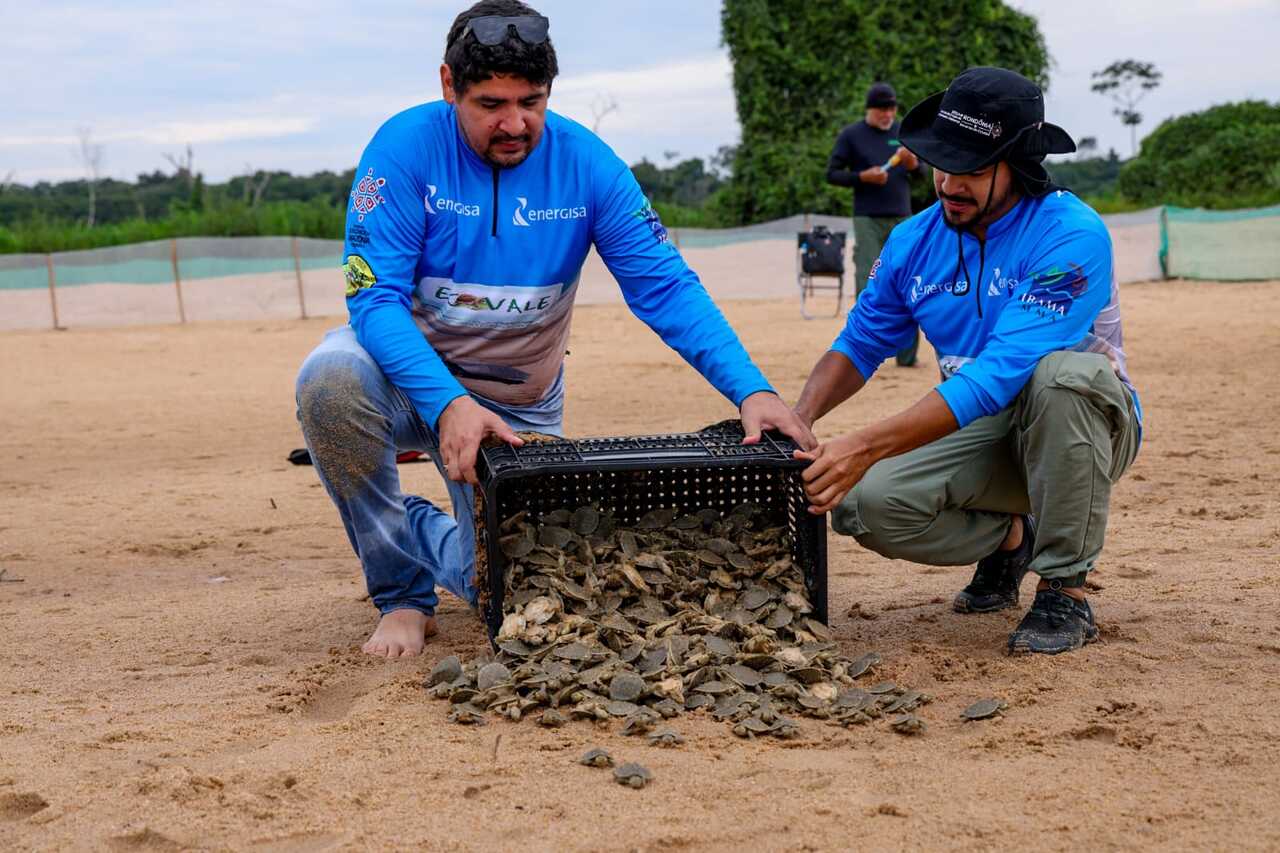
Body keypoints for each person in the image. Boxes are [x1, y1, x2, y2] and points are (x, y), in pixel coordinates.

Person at [295, 0, 814, 658]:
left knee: (532, 593)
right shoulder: (401, 151)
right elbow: (374, 300)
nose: (515, 123)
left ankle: (416, 530)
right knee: (329, 381)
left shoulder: (589, 166)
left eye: (532, 101)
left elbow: (666, 287)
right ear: (448, 85)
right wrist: (447, 402)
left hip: (514, 404)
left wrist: (753, 390)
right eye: (490, 103)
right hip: (404, 379)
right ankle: (402, 593)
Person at [794, 67, 1142, 655]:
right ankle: (1012, 539)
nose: (950, 183)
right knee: (866, 505)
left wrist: (864, 445)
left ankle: (1065, 590)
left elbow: (1001, 372)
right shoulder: (912, 240)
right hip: (985, 429)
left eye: (974, 169)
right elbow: (859, 343)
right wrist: (801, 417)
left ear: (1021, 166)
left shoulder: (1070, 235)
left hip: (1085, 428)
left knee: (1062, 377)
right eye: (941, 163)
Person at [826, 82, 924, 366]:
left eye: (892, 108)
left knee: (909, 280)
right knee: (868, 280)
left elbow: (924, 177)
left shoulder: (903, 131)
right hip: (867, 217)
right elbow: (832, 174)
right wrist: (861, 178)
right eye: (882, 108)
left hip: (901, 217)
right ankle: (861, 353)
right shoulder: (851, 135)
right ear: (869, 109)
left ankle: (908, 357)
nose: (888, 114)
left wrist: (913, 166)